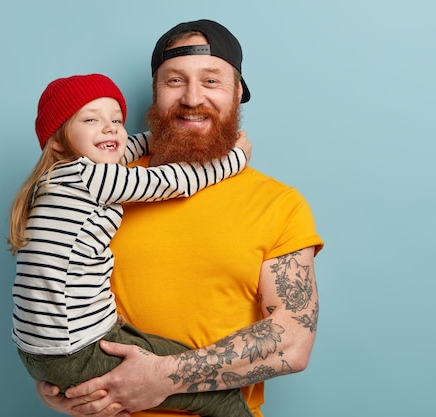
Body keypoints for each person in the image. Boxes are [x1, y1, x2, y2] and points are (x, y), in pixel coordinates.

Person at [37, 19, 324, 417]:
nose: (192, 98)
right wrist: (61, 380)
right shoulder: (106, 186)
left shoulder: (278, 204)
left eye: (211, 81)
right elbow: (49, 289)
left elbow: (292, 341)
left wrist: (163, 377)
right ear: (155, 93)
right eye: (175, 81)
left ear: (238, 93)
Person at [9, 73, 255, 417]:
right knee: (213, 383)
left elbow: (125, 148)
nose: (110, 128)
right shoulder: (89, 177)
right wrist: (235, 158)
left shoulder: (54, 182)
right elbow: (172, 181)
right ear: (57, 141)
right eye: (92, 119)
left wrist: (163, 138)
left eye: (117, 120)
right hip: (78, 349)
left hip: (40, 353)